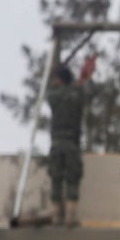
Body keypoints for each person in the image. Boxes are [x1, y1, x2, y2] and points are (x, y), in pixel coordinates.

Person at [45, 57, 94, 227]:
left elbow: (48, 89)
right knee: (73, 179)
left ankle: (56, 216)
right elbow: (89, 90)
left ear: (59, 80)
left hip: (56, 142)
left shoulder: (54, 96)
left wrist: (53, 71)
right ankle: (70, 218)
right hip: (72, 143)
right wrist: (87, 75)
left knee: (56, 179)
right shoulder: (77, 95)